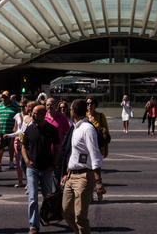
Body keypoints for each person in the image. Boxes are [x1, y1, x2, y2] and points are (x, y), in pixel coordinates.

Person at [62, 99, 105, 234]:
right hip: (71, 176)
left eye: (70, 109)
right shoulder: (75, 127)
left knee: (80, 215)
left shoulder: (87, 129)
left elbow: (95, 156)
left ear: (73, 112)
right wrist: (67, 172)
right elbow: (75, 152)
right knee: (66, 211)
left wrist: (98, 181)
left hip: (84, 177)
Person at [22, 104, 60, 234]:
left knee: (47, 197)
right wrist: (26, 160)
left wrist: (53, 165)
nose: (33, 115)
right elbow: (23, 146)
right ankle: (33, 225)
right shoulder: (29, 129)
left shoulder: (52, 129)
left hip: (46, 169)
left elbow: (57, 148)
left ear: (44, 115)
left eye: (36, 113)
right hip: (32, 168)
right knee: (32, 197)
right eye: (32, 113)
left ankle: (45, 216)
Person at [6, 99, 32, 188]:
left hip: (27, 141)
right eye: (20, 106)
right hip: (18, 139)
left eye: (23, 106)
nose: (21, 108)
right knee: (19, 162)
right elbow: (16, 128)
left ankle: (29, 181)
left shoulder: (30, 117)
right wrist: (11, 138)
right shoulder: (18, 115)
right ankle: (20, 181)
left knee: (26, 161)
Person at [45, 97, 71, 180]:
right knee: (45, 176)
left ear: (56, 105)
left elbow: (67, 134)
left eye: (51, 105)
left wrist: (67, 150)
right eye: (47, 105)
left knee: (56, 176)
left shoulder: (62, 118)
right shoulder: (43, 117)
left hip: (58, 152)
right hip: (45, 152)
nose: (49, 107)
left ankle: (55, 192)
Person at [0, 91, 20, 171]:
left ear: (9, 97)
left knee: (11, 147)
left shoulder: (15, 106)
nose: (3, 99)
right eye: (2, 97)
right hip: (1, 130)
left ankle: (11, 161)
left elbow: (19, 116)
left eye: (5, 97)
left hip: (11, 131)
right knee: (0, 146)